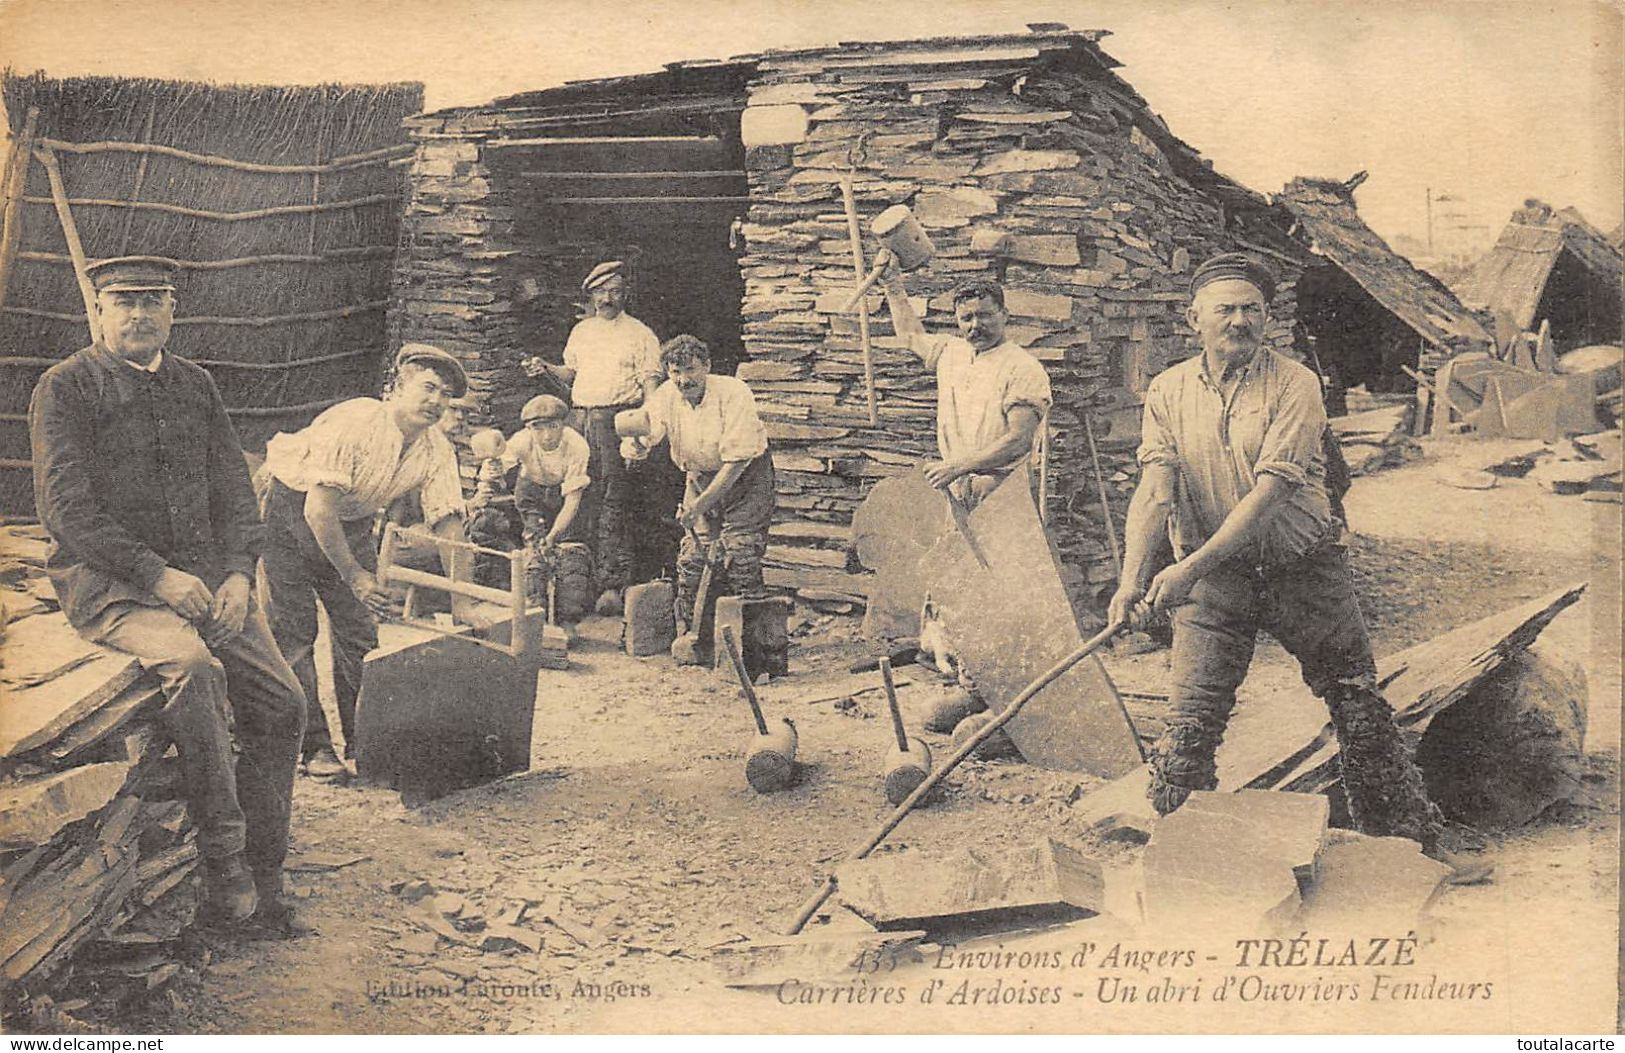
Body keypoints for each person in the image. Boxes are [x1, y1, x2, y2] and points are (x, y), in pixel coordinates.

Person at [1106, 252, 1443, 849]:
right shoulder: (1167, 391)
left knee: (1357, 705)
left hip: (1303, 567)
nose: (1239, 321)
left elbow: (1271, 492)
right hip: (1218, 583)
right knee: (1188, 725)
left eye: (1252, 310)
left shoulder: (1296, 384)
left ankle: (1405, 846)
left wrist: (1186, 568)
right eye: (1225, 310)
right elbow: (1155, 491)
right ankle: (1186, 858)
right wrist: (1132, 578)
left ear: (1268, 319)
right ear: (1194, 320)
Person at [29, 256, 307, 934]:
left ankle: (268, 867)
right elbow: (66, 509)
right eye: (122, 302)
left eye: (152, 300)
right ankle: (225, 869)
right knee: (193, 669)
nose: (138, 315)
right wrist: (157, 575)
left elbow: (236, 490)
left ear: (173, 310)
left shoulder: (195, 384)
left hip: (208, 584)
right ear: (97, 311)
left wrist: (240, 571)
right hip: (112, 585)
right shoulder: (65, 388)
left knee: (285, 700)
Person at [258, 344, 471, 779]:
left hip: (350, 523)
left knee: (359, 630)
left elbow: (449, 523)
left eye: (446, 395)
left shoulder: (436, 450)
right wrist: (355, 576)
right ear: (395, 388)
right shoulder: (355, 421)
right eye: (428, 388)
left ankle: (366, 740)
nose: (436, 402)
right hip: (287, 513)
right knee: (295, 632)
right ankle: (312, 747)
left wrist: (461, 600)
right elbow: (317, 510)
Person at [525, 260, 662, 617]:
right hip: (579, 418)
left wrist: (644, 432)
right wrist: (545, 368)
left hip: (617, 421)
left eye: (615, 290)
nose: (608, 298)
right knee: (578, 496)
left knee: (614, 499)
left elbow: (651, 389)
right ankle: (577, 585)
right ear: (591, 295)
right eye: (601, 291)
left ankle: (612, 585)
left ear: (625, 293)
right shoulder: (582, 332)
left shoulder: (640, 334)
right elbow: (570, 375)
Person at [614, 334, 773, 630]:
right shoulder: (666, 395)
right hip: (699, 476)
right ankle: (693, 634)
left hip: (745, 479)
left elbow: (736, 461)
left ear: (707, 367)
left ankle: (754, 641)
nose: (683, 379)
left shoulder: (733, 393)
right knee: (693, 558)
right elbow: (646, 429)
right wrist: (637, 446)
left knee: (740, 554)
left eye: (690, 369)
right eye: (675, 371)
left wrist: (698, 506)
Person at [880, 272, 1051, 508]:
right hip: (957, 484)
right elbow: (911, 336)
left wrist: (957, 466)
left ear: (1004, 315)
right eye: (966, 318)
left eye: (985, 316)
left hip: (1002, 487)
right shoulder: (951, 352)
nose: (975, 326)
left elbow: (1019, 439)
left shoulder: (1023, 368)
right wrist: (892, 286)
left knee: (1001, 546)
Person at [500, 394, 595, 626]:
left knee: (570, 552)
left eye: (553, 427)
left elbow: (572, 501)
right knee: (534, 550)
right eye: (538, 428)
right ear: (528, 428)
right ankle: (535, 616)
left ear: (563, 424)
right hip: (532, 494)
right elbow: (495, 468)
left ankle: (568, 619)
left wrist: (555, 534)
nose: (547, 436)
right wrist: (493, 472)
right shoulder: (519, 442)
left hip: (565, 497)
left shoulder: (577, 445)